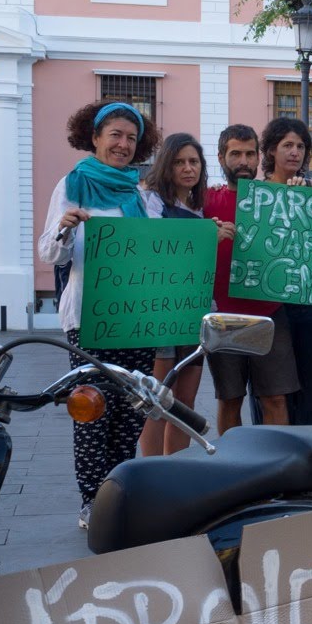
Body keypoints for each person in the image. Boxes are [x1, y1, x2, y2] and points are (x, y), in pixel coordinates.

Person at [37, 99, 164, 530]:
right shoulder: (72, 184)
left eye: (131, 138)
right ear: (94, 137)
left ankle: (119, 493)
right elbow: (49, 251)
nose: (123, 145)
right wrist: (65, 227)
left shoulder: (141, 194)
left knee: (132, 411)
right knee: (93, 409)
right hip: (90, 318)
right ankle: (92, 501)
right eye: (115, 135)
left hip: (137, 319)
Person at [204, 123, 300, 434]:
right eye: (235, 154)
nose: (243, 161)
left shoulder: (280, 197)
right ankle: (233, 467)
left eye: (249, 154)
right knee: (230, 399)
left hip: (269, 312)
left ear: (259, 157)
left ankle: (278, 471)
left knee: (275, 398)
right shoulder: (205, 201)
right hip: (223, 316)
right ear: (221, 158)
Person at [136, 132, 210, 456]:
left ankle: (174, 470)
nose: (187, 168)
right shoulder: (150, 200)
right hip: (160, 311)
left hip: (193, 311)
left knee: (185, 401)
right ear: (166, 165)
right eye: (179, 162)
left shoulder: (199, 209)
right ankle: (151, 472)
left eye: (193, 161)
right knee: (157, 401)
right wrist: (206, 235)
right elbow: (153, 244)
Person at [260, 116, 312, 426]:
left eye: (301, 146)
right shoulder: (258, 193)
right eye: (287, 145)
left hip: (310, 305)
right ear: (272, 151)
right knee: (273, 388)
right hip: (270, 304)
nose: (295, 152)